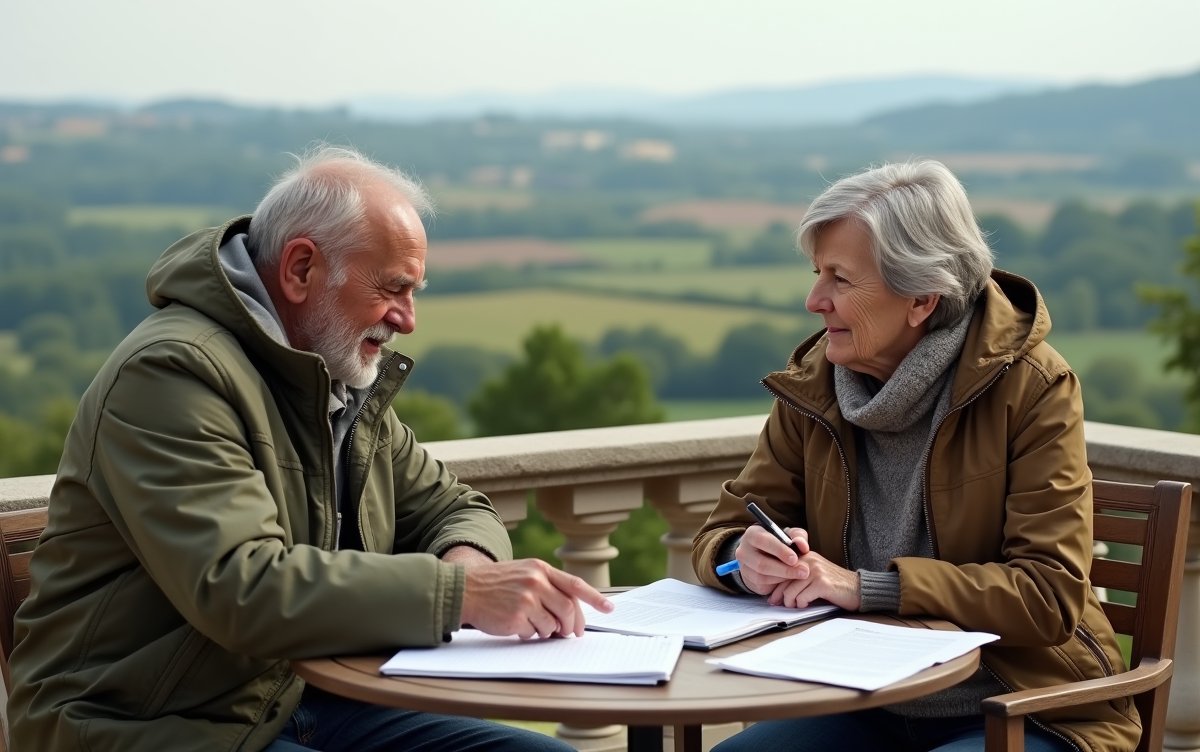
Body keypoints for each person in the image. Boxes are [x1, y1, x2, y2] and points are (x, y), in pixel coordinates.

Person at [6, 145, 612, 752]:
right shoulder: (171, 373)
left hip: (300, 699)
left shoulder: (332, 379)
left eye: (414, 291)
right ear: (300, 269)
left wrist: (469, 563)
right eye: (393, 288)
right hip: (148, 724)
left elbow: (452, 507)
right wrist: (462, 598)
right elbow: (241, 586)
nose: (407, 319)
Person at [692, 161, 1139, 752]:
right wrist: (739, 559)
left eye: (840, 279)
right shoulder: (813, 386)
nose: (813, 300)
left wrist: (866, 587)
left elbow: (1047, 596)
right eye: (816, 273)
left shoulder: (1033, 387)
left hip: (1016, 708)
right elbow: (719, 535)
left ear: (921, 298)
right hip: (853, 696)